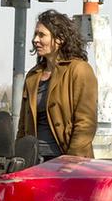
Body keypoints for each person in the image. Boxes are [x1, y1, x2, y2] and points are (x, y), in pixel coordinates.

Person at [16, 9, 97, 159]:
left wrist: (70, 162)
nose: (35, 40)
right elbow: (23, 126)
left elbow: (85, 124)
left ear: (60, 39)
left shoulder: (79, 70)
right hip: (34, 162)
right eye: (35, 34)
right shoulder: (33, 76)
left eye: (42, 35)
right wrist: (18, 158)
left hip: (67, 163)